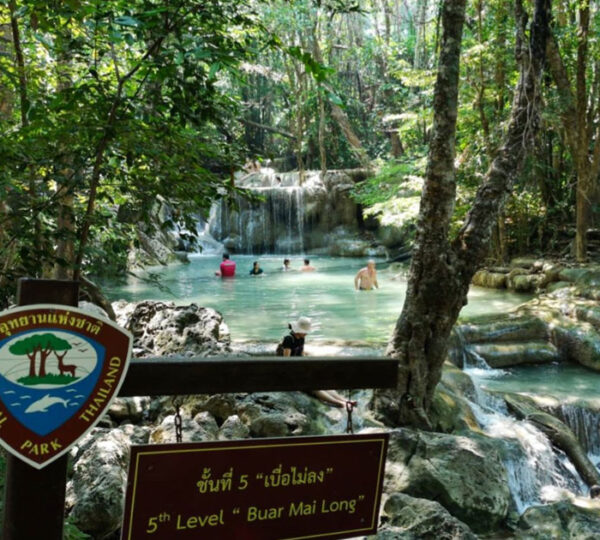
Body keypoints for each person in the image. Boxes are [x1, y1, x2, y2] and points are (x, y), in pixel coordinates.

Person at [278, 317, 356, 409]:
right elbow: (286, 361)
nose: (306, 333)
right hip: (290, 372)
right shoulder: (289, 339)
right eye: (305, 331)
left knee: (321, 381)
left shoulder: (301, 338)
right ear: (298, 330)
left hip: (299, 368)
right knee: (314, 387)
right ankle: (339, 403)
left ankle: (345, 400)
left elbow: (301, 355)